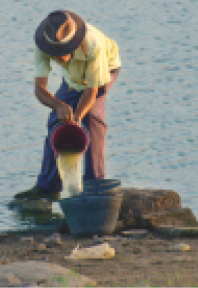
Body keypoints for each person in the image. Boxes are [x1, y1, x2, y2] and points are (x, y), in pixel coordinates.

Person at [15, 10, 121, 201]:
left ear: (72, 45)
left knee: (92, 119)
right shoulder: (43, 43)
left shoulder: (93, 45)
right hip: (72, 78)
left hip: (103, 71)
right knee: (57, 122)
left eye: (60, 53)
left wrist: (76, 119)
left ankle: (93, 185)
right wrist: (58, 106)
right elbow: (39, 89)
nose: (55, 57)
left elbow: (90, 92)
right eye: (52, 54)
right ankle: (48, 187)